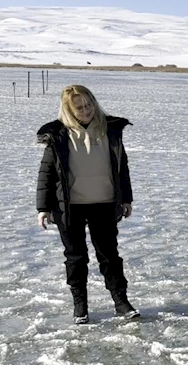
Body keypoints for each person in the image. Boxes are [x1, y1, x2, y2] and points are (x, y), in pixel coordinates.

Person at [36, 85, 139, 325]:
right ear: (69, 110)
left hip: (104, 203)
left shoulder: (111, 129)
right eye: (79, 108)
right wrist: (43, 208)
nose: (86, 111)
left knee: (110, 256)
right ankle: (80, 305)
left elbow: (121, 168)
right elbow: (47, 173)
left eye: (89, 105)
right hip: (69, 207)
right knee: (76, 257)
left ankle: (121, 301)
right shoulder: (58, 134)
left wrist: (126, 199)